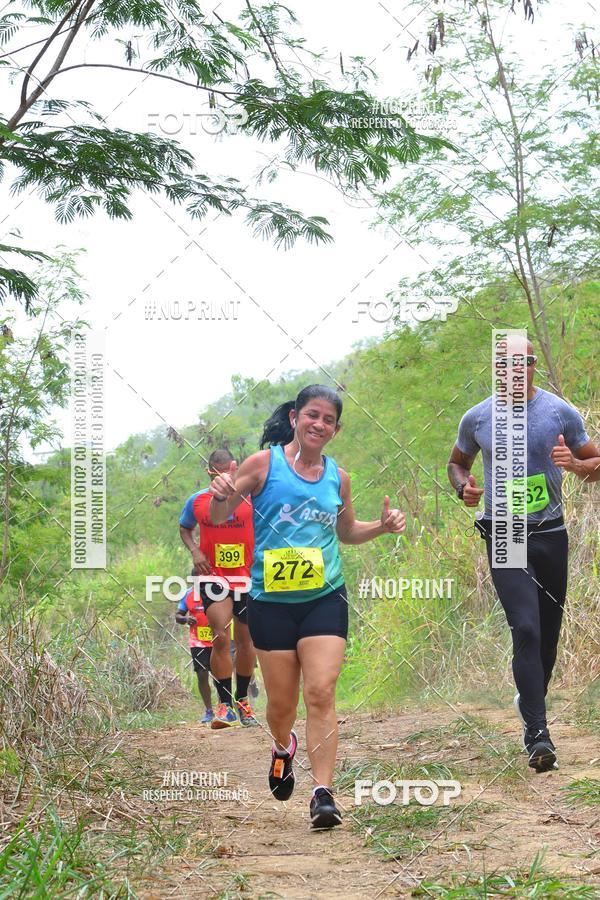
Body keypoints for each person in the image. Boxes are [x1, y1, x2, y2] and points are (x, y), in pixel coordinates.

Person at [208, 385, 406, 828]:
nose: (319, 424)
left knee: (320, 691)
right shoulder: (264, 464)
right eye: (312, 415)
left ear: (335, 430)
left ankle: (323, 793)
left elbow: (348, 532)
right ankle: (283, 747)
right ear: (296, 417)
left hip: (324, 597)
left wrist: (384, 527)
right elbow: (219, 518)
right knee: (281, 705)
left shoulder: (339, 477)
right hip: (270, 603)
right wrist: (222, 491)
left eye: (329, 420)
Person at [448, 338, 599, 772]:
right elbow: (457, 462)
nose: (516, 370)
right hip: (507, 530)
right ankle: (538, 733)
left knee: (548, 636)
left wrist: (573, 463)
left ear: (533, 366)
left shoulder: (559, 412)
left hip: (551, 533)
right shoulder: (477, 416)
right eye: (506, 363)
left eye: (524, 362)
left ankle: (529, 698)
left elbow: (596, 466)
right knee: (527, 627)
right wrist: (464, 486)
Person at [179, 449, 258, 728]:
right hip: (212, 577)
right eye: (216, 473)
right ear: (209, 473)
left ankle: (242, 701)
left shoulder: (252, 496)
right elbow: (184, 527)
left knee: (247, 642)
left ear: (236, 469)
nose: (223, 477)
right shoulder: (198, 500)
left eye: (228, 471)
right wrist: (195, 552)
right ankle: (224, 705)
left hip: (247, 578)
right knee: (221, 637)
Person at [175, 582, 215, 724]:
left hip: (217, 639)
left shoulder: (218, 591)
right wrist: (186, 619)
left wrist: (218, 622)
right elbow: (178, 615)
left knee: (220, 675)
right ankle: (209, 710)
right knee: (202, 673)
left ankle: (226, 706)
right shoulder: (188, 594)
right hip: (197, 641)